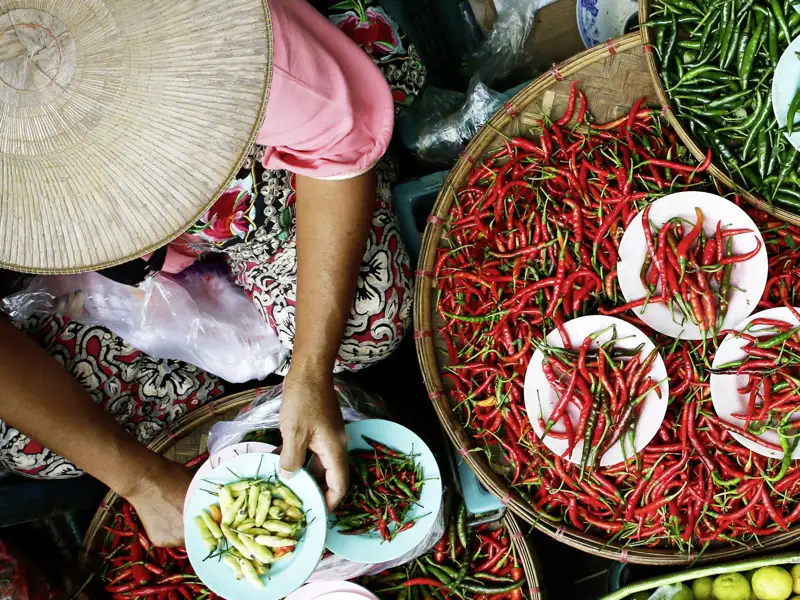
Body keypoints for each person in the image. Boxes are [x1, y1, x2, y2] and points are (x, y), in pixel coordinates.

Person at [0, 0, 425, 546]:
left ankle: (282, 390)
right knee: (30, 447)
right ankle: (242, 408)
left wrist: (310, 371)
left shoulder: (220, 35)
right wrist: (139, 480)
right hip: (116, 267)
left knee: (365, 327)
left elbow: (332, 145)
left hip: (255, 175)